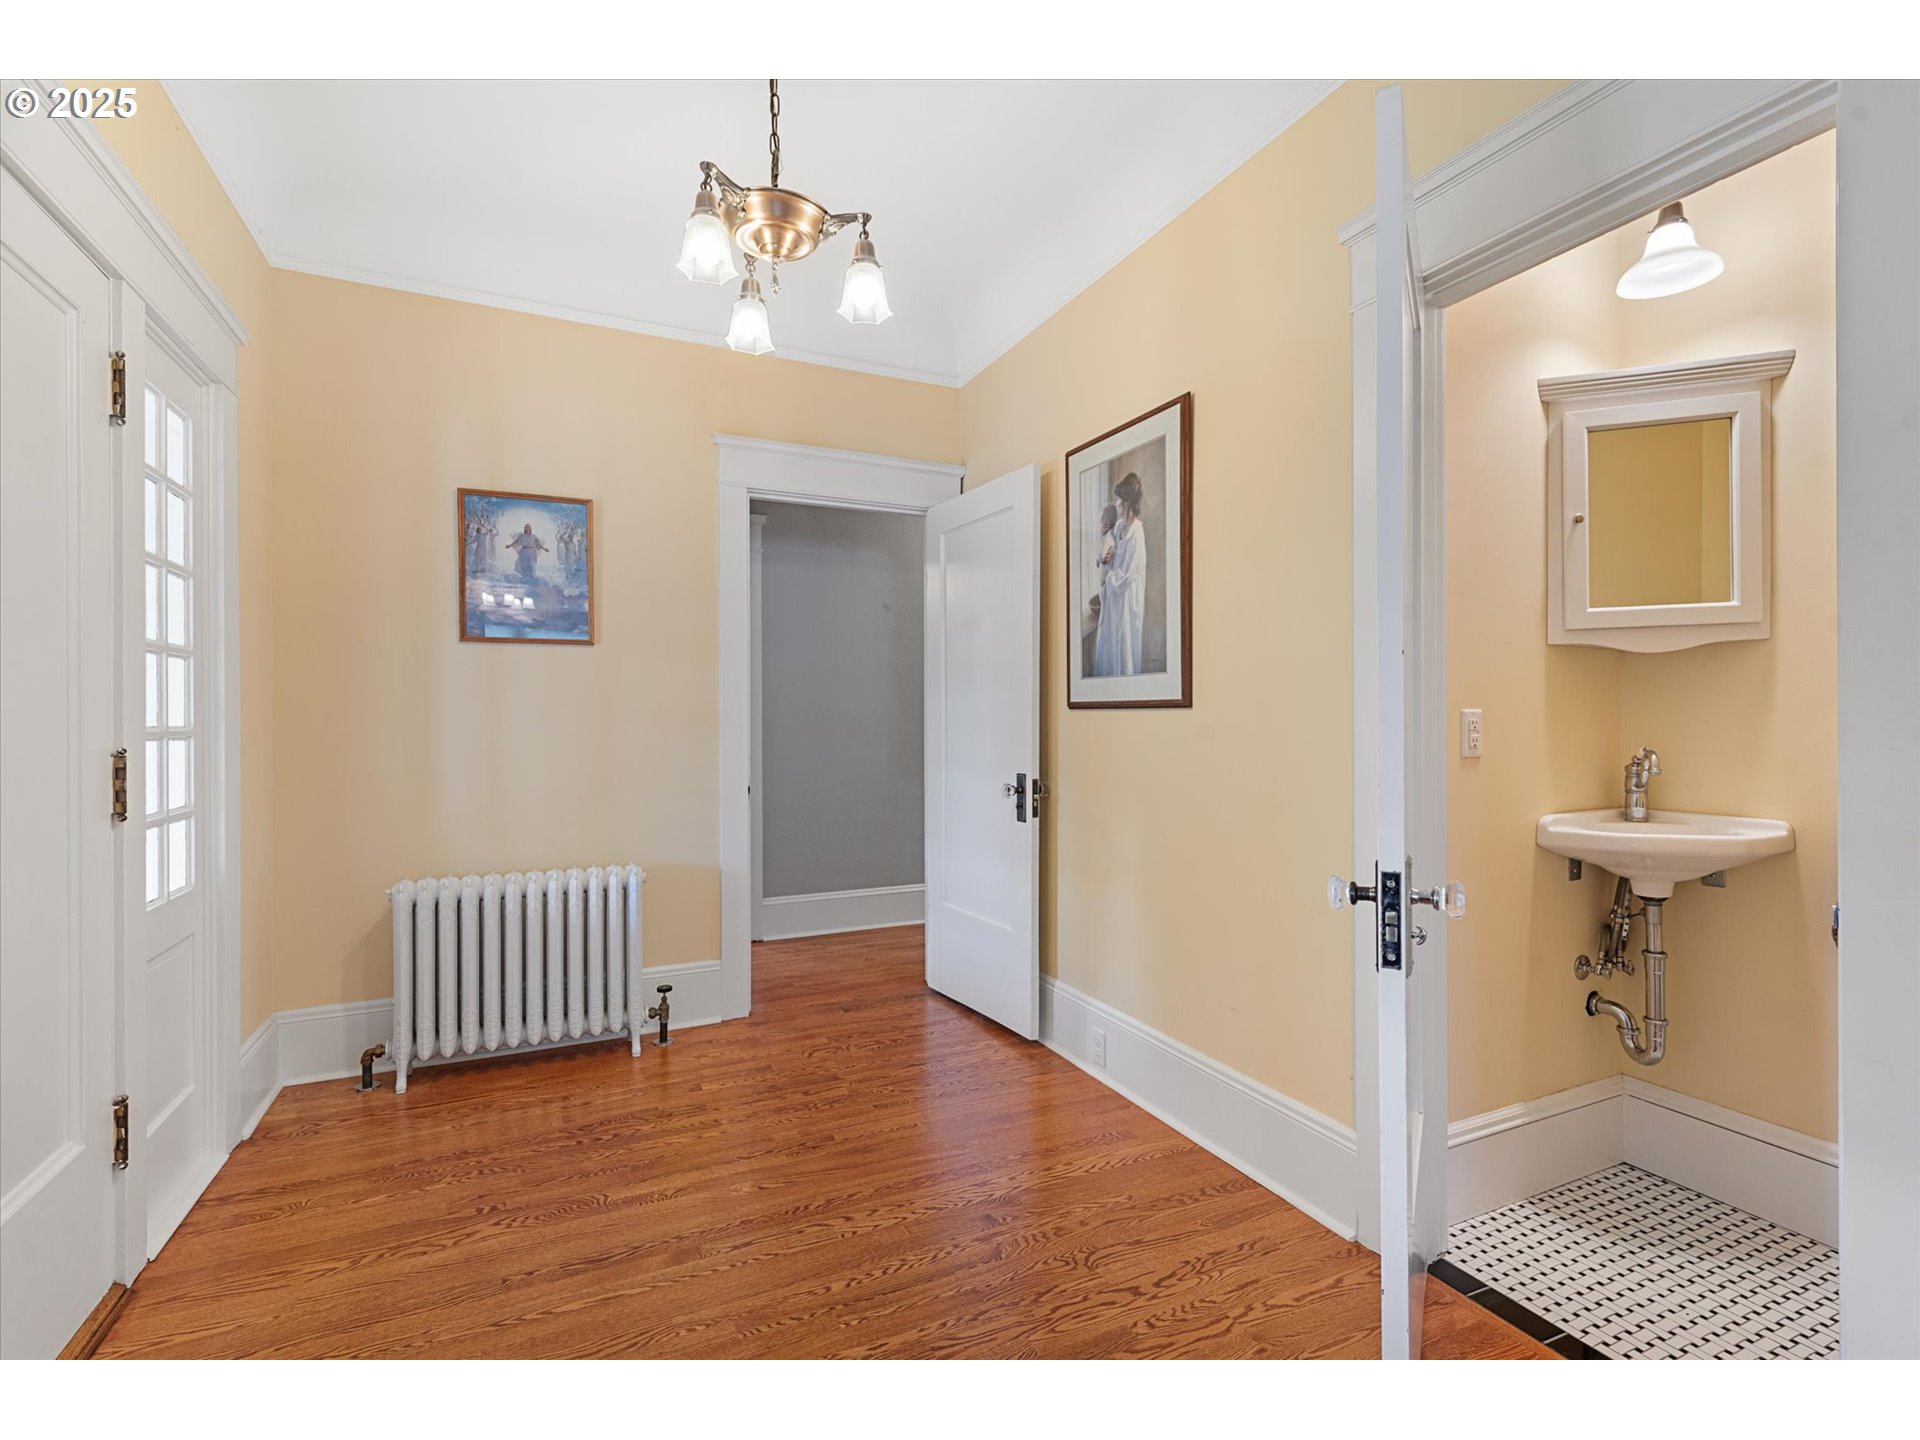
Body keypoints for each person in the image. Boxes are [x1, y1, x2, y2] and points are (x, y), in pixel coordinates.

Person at [1093, 473, 1146, 677]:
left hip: (1125, 603)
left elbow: (1126, 578)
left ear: (1127, 504)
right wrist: (1102, 558)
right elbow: (1108, 548)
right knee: (1109, 651)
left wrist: (1109, 578)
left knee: (1124, 654)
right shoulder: (1119, 527)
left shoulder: (1136, 536)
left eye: (1120, 501)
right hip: (1113, 602)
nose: (1117, 504)